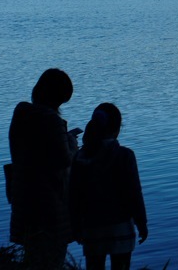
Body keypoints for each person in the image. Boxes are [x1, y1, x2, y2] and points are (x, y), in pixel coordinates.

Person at [8, 68, 81, 269]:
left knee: (32, 257)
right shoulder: (51, 121)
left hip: (24, 198)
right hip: (49, 205)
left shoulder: (21, 116)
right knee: (51, 259)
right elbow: (63, 160)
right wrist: (72, 144)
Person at [69, 103, 148, 270]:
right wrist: (142, 223)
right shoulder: (125, 156)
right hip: (120, 229)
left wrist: (75, 225)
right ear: (117, 129)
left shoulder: (79, 158)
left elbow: (73, 196)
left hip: (91, 229)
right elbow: (135, 193)